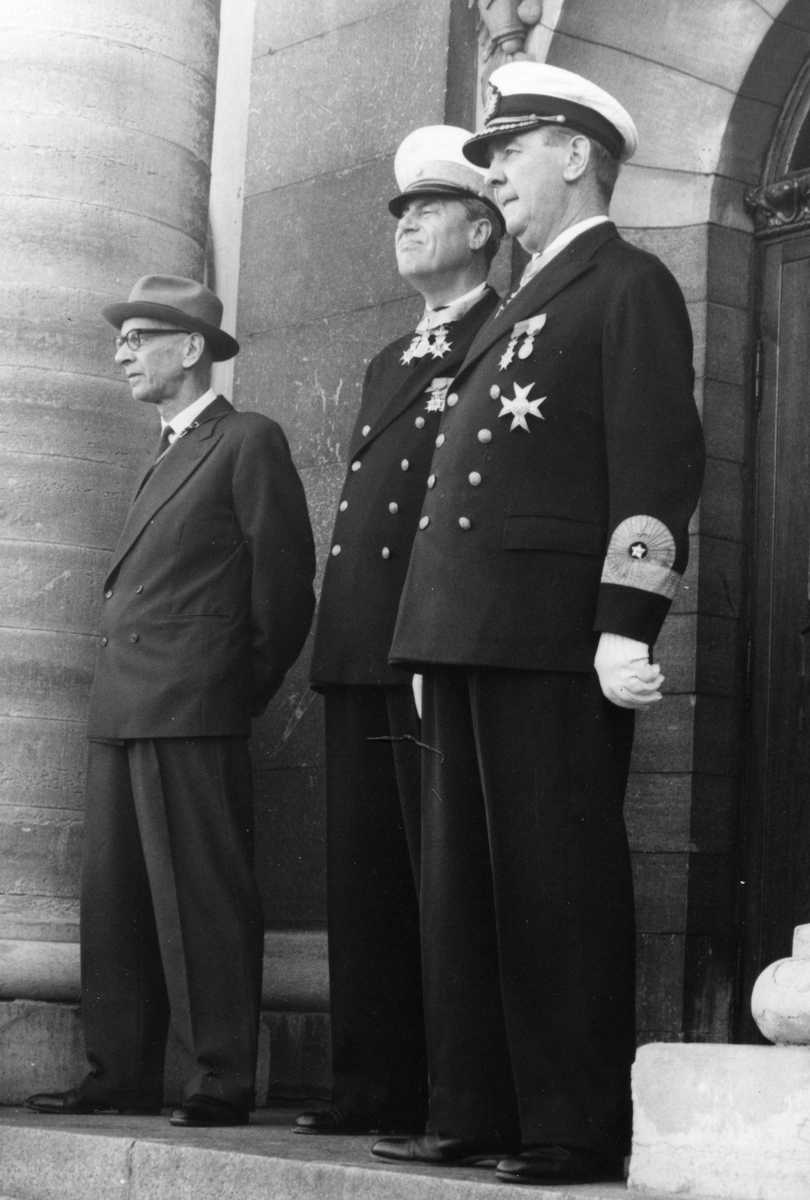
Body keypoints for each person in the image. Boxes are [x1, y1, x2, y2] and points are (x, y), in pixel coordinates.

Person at [373, 63, 705, 1184]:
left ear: (575, 155)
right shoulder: (522, 299)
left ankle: (572, 1122)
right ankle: (475, 1108)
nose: (496, 176)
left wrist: (626, 622)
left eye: (509, 153)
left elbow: (658, 465)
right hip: (468, 632)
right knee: (464, 890)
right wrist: (428, 638)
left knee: (553, 883)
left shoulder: (629, 284)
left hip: (557, 634)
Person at [26, 276, 316, 1127]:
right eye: (120, 340)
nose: (120, 353)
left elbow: (284, 592)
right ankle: (118, 1072)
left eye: (138, 338)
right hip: (124, 705)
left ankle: (220, 1077)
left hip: (191, 704)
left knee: (202, 897)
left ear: (190, 348)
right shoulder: (164, 449)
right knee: (114, 898)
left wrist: (226, 690)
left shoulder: (246, 439)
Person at [296, 127, 502, 1136]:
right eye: (401, 213)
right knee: (367, 875)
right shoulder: (390, 359)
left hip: (430, 640)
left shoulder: (505, 332)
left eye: (428, 209)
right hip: (362, 641)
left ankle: (450, 1095)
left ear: (484, 225)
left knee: (442, 877)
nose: (407, 224)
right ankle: (371, 1086)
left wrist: (423, 638)